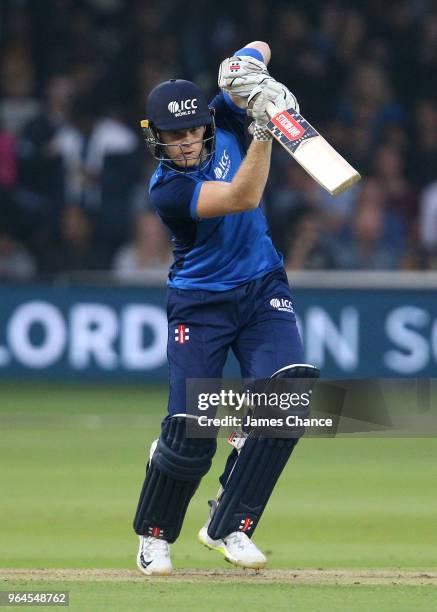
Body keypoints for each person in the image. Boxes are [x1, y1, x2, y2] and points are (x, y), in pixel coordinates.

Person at [133, 41, 316, 575]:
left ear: (204, 123)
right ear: (157, 139)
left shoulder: (225, 115)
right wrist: (265, 127)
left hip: (261, 286)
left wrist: (247, 71)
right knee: (191, 431)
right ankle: (155, 536)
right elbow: (242, 197)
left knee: (287, 399)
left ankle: (228, 524)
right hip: (200, 303)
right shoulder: (168, 188)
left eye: (191, 132)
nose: (186, 143)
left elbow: (258, 48)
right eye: (173, 136)